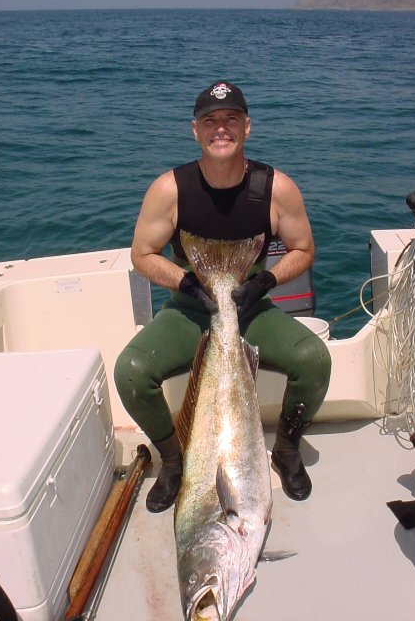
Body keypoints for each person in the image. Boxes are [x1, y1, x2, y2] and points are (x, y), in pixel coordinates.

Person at [114, 81, 331, 513]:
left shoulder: (277, 188)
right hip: (191, 310)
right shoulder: (170, 190)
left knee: (314, 360)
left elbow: (304, 249)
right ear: (195, 130)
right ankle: (174, 461)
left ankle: (286, 449)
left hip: (250, 307)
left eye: (231, 119)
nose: (221, 129)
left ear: (247, 127)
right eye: (210, 120)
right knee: (131, 373)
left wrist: (264, 283)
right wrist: (187, 284)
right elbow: (142, 255)